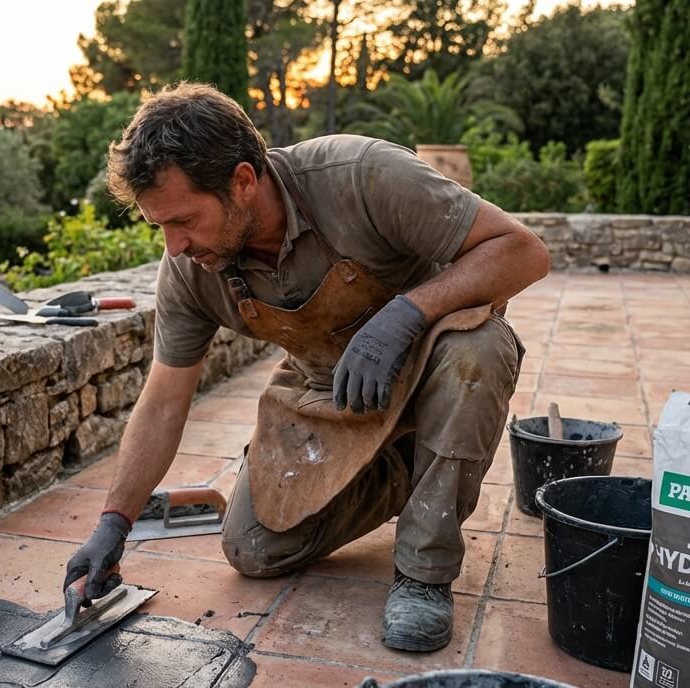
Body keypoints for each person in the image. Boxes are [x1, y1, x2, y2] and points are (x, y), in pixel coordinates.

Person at [63, 83, 549, 652]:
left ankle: (424, 572)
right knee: (252, 548)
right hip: (328, 394)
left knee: (479, 351)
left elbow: (523, 251)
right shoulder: (192, 271)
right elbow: (165, 400)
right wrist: (114, 523)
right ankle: (408, 472)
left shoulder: (363, 176)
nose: (174, 246)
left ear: (243, 181)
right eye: (159, 226)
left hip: (435, 367)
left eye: (184, 221)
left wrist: (406, 314)